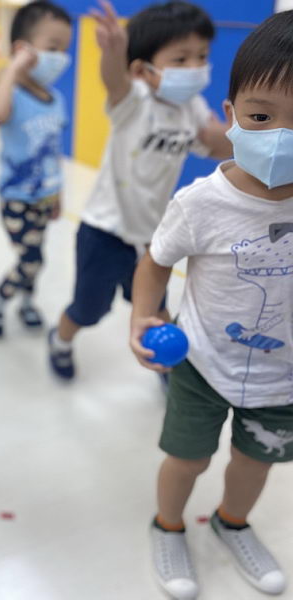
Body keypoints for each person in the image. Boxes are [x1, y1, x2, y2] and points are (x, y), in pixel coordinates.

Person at [130, 11, 293, 599]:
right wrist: (142, 315)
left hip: (284, 375)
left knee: (255, 462)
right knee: (187, 459)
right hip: (201, 362)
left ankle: (232, 522)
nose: (281, 136)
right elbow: (155, 260)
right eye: (261, 116)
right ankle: (168, 525)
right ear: (230, 115)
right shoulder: (202, 203)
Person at [47, 1, 232, 379]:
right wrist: (113, 52)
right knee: (89, 310)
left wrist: (257, 128)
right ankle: (61, 339)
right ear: (142, 70)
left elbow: (216, 144)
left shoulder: (192, 107)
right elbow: (114, 80)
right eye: (180, 59)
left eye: (201, 56)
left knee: (155, 309)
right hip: (104, 231)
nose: (195, 67)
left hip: (152, 235)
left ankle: (163, 365)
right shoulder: (134, 100)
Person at [0, 1, 72, 337]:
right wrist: (13, 68)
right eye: (53, 47)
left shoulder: (56, 99)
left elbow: (54, 152)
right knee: (31, 259)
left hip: (44, 196)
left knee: (35, 253)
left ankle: (27, 302)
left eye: (64, 49)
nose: (61, 57)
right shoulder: (13, 95)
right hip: (16, 198)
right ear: (23, 50)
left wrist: (58, 194)